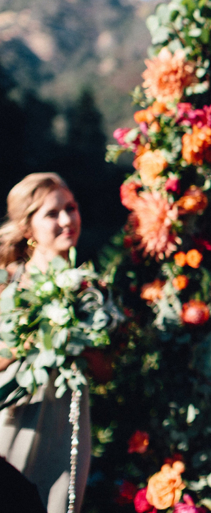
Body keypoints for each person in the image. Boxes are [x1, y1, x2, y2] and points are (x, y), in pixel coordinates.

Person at [0, 173, 90, 513]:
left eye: (71, 208)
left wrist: (94, 338)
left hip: (68, 423)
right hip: (16, 416)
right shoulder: (8, 285)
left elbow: (106, 372)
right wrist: (36, 334)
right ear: (28, 228)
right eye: (52, 214)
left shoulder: (90, 291)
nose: (67, 220)